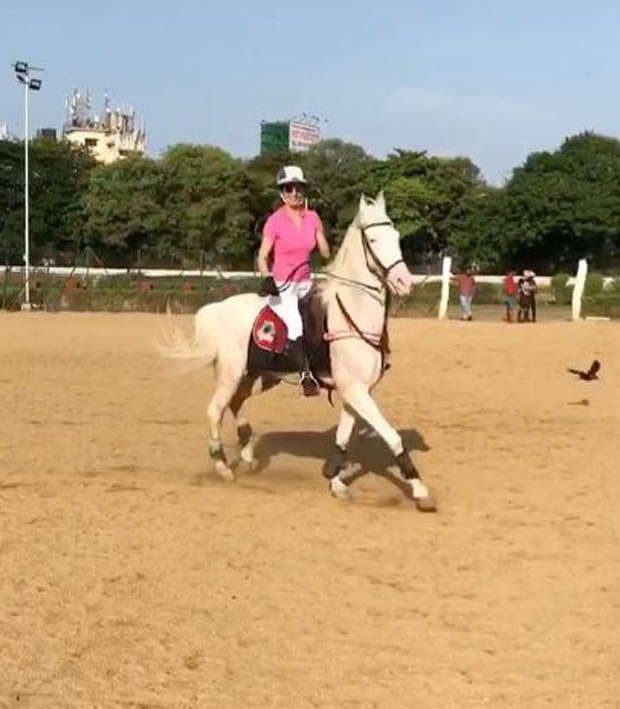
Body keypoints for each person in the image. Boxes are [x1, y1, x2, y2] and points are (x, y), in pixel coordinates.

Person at [256, 165, 330, 396]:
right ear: (282, 193)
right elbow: (262, 255)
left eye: (298, 188)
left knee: (325, 314)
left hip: (306, 281)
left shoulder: (313, 217)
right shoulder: (275, 221)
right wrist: (266, 275)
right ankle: (305, 375)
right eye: (289, 188)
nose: (294, 193)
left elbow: (325, 253)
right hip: (283, 284)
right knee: (297, 324)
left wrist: (323, 241)